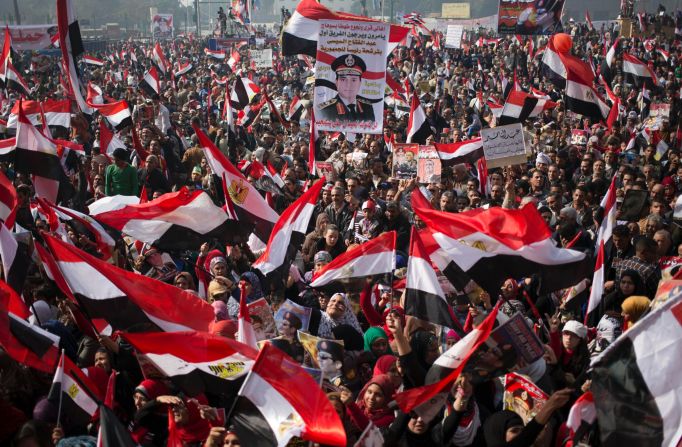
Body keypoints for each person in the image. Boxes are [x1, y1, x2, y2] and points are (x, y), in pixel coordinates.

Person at [317, 54, 375, 123]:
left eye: (353, 80)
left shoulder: (367, 107)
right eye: (343, 80)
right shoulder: (325, 110)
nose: (349, 85)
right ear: (336, 82)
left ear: (360, 83)